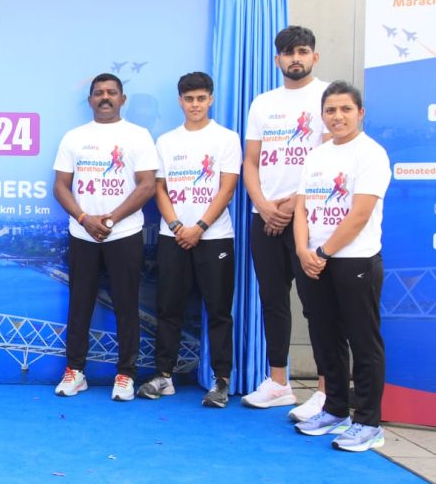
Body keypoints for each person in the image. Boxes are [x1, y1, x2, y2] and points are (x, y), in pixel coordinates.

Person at [291, 81, 390, 452]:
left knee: (363, 342)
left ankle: (368, 422)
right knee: (325, 338)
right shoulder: (316, 155)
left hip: (355, 260)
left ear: (360, 113)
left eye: (345, 109)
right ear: (322, 116)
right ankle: (335, 410)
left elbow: (359, 214)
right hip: (314, 261)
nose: (337, 116)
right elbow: (302, 207)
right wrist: (302, 250)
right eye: (330, 110)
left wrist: (323, 252)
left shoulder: (371, 154)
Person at [241, 26, 330, 419]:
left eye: (302, 51)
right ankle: (278, 383)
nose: (296, 58)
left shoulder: (327, 97)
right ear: (277, 60)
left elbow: (328, 159)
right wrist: (263, 206)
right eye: (288, 53)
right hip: (265, 219)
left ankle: (326, 391)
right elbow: (250, 162)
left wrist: (292, 206)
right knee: (273, 301)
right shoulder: (263, 103)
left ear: (314, 56)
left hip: (309, 220)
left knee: (317, 305)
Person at [137, 72, 241, 408]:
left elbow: (227, 188)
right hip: (173, 236)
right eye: (189, 99)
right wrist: (177, 224)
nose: (195, 105)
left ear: (211, 99)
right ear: (180, 102)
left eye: (201, 98)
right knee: (169, 309)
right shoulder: (166, 142)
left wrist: (200, 226)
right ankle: (164, 376)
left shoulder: (227, 139)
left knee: (219, 311)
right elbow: (159, 188)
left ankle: (221, 381)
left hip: (215, 236)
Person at [52, 72, 157, 401]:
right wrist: (85, 219)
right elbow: (60, 187)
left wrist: (111, 219)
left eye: (112, 92)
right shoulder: (74, 137)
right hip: (82, 234)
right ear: (90, 100)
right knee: (79, 305)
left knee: (126, 306)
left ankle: (125, 374)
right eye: (99, 93)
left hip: (123, 233)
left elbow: (147, 186)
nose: (105, 97)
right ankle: (75, 371)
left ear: (122, 99)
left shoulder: (138, 136)